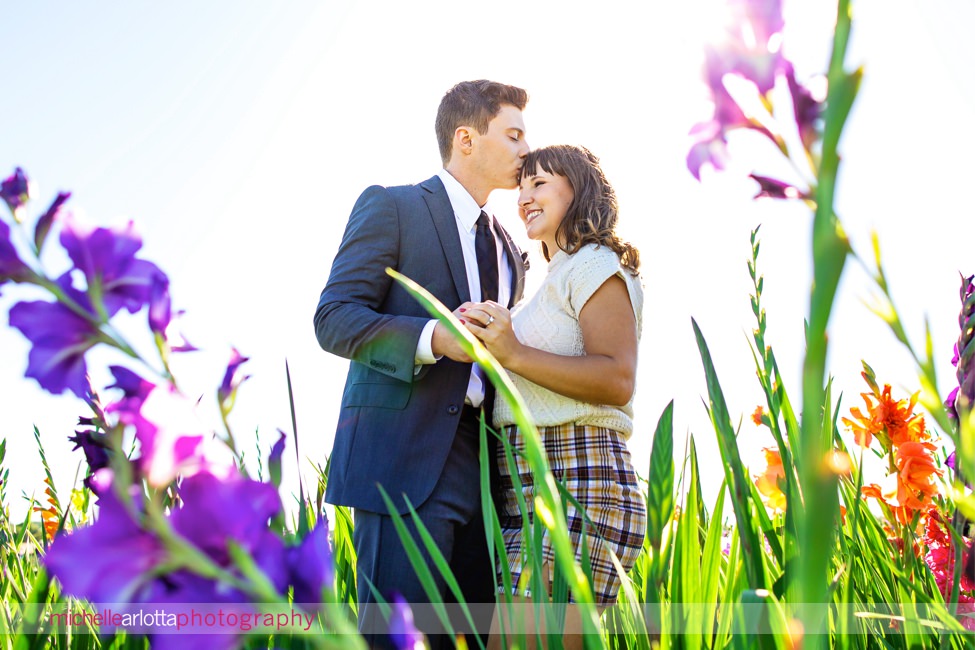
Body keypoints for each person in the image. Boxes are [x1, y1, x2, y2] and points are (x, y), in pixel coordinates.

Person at [313, 80, 530, 649]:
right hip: (401, 460)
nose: (525, 150)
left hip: (487, 470)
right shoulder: (393, 205)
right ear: (466, 138)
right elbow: (333, 317)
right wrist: (435, 337)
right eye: (513, 135)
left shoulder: (511, 249)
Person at [460, 145, 647, 647]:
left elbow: (617, 379)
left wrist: (513, 353)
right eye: (521, 187)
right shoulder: (550, 282)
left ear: (578, 188)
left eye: (538, 183)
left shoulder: (594, 263)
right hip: (527, 490)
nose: (524, 197)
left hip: (578, 480)